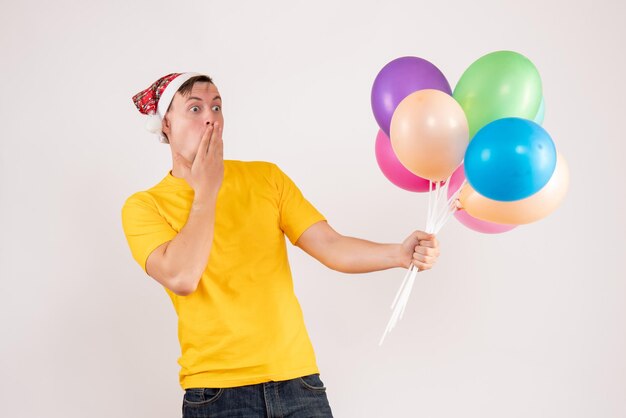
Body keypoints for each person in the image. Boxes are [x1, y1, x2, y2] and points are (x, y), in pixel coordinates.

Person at [122, 72, 440, 418]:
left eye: (217, 106)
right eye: (194, 108)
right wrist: (207, 190)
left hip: (299, 385)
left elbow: (329, 244)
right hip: (217, 394)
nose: (211, 116)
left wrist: (398, 253)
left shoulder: (266, 178)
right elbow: (183, 277)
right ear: (165, 123)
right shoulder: (144, 206)